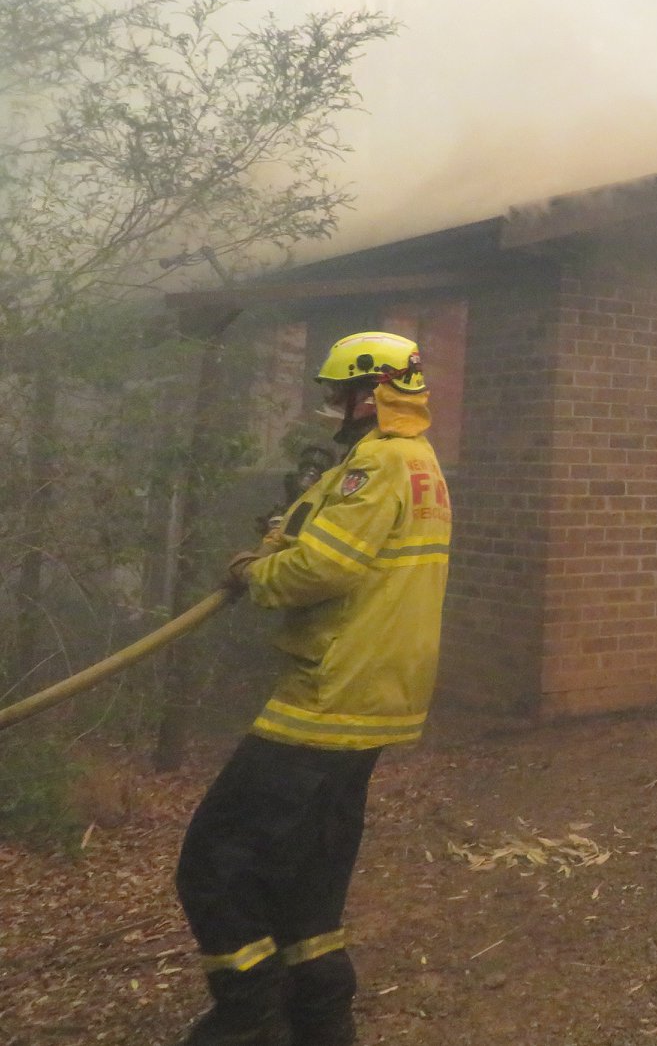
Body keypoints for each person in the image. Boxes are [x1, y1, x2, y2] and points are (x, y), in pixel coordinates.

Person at [174, 332, 451, 1046]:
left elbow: (323, 568)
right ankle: (321, 1018)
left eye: (338, 393)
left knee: (214, 858)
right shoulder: (414, 461)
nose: (332, 406)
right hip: (373, 695)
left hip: (329, 693)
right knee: (309, 873)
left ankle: (248, 1017)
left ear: (370, 393)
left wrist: (254, 574)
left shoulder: (380, 464)